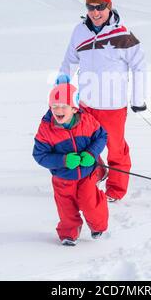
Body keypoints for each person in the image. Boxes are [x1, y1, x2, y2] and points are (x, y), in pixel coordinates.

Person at [56, 0, 147, 202]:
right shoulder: (79, 31)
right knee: (87, 146)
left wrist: (138, 99)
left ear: (109, 7)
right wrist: (62, 93)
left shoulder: (123, 33)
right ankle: (95, 173)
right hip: (86, 104)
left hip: (113, 106)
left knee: (116, 149)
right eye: (91, 8)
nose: (95, 13)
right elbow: (69, 62)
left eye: (100, 7)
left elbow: (140, 66)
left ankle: (116, 189)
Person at [32, 83, 108, 246]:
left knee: (90, 203)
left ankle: (98, 226)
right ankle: (69, 233)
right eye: (54, 106)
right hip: (62, 178)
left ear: (74, 108)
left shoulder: (87, 121)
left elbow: (102, 136)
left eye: (63, 106)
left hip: (87, 174)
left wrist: (91, 154)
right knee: (66, 208)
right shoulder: (46, 129)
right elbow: (39, 155)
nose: (58, 110)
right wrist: (63, 160)